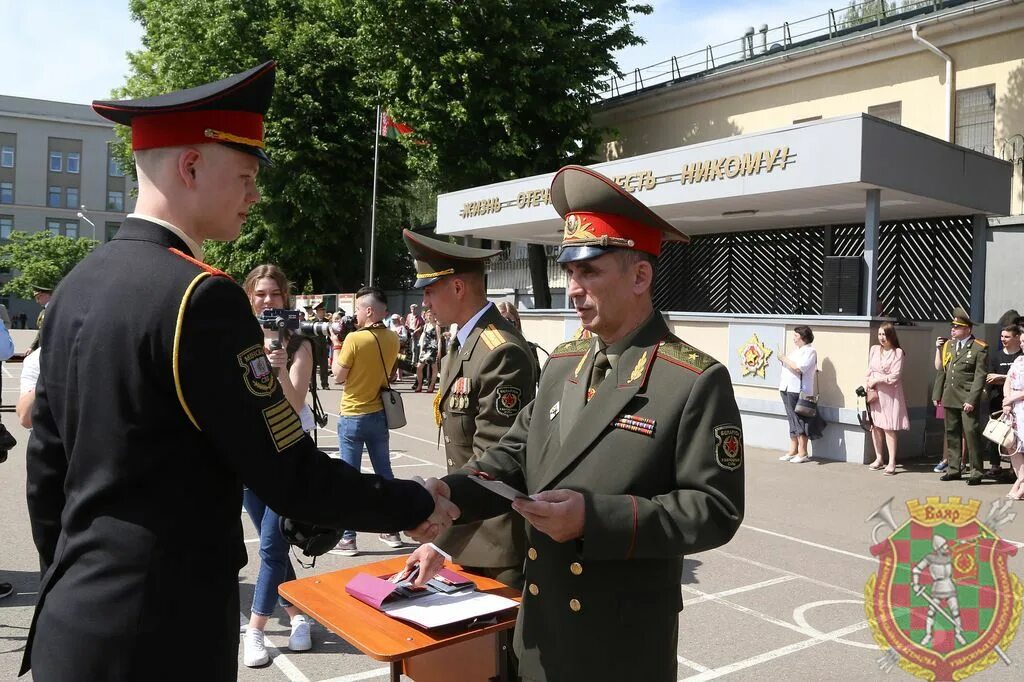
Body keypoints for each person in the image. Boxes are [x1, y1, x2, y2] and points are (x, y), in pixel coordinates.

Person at [21, 62, 456, 681]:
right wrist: (410, 501)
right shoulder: (201, 297)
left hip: (76, 621)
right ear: (191, 167)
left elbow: (47, 466)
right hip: (162, 634)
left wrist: (69, 579)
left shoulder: (75, 286)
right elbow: (285, 469)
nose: (256, 195)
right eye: (247, 176)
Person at [409, 165, 744, 682]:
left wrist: (595, 519)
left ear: (639, 277)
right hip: (543, 625)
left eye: (590, 272)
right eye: (569, 272)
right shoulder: (565, 363)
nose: (573, 289)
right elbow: (513, 456)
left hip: (617, 642)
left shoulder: (692, 380)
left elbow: (715, 509)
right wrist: (445, 497)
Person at [402, 230, 537, 592]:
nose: (425, 303)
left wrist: (438, 540)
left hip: (495, 541)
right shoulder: (463, 343)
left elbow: (493, 462)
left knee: (498, 648)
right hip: (466, 528)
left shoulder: (499, 351)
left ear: (458, 288)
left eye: (430, 291)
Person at [240, 264, 317, 666]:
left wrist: (280, 366)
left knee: (271, 545)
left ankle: (254, 633)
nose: (267, 301)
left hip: (289, 455)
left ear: (286, 298)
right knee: (275, 546)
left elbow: (295, 404)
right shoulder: (240, 341)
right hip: (251, 456)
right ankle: (297, 614)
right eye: (260, 294)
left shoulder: (300, 343)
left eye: (274, 294)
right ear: (250, 297)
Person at [331, 285, 403, 556]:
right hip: (379, 413)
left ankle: (348, 538)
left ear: (369, 310)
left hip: (353, 414)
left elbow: (338, 375)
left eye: (358, 308)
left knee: (349, 479)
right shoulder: (393, 338)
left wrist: (336, 342)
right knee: (385, 474)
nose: (355, 314)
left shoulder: (355, 339)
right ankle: (392, 528)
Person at [932, 306, 989, 484]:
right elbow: (943, 370)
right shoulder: (949, 345)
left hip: (966, 398)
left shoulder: (980, 348)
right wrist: (937, 393)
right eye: (953, 327)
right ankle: (954, 469)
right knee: (952, 434)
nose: (953, 330)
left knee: (971, 434)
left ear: (967, 329)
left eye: (957, 327)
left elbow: (980, 377)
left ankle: (976, 472)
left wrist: (972, 400)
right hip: (950, 395)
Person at [865, 323, 910, 474]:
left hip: (890, 394)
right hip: (874, 393)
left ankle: (892, 461)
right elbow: (870, 369)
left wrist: (877, 380)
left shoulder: (898, 353)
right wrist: (867, 384)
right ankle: (879, 458)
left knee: (888, 427)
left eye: (884, 334)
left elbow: (895, 376)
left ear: (891, 335)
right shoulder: (874, 350)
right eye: (879, 334)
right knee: (875, 426)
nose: (881, 338)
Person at [777, 325, 824, 463]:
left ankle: (803, 452)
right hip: (786, 387)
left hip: (799, 390)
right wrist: (784, 360)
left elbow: (799, 368)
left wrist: (784, 358)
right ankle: (793, 450)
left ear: (803, 337)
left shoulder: (810, 351)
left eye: (796, 336)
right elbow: (790, 366)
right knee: (792, 419)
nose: (794, 339)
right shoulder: (796, 351)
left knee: (800, 420)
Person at [983, 324, 1022, 480]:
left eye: (1007, 336)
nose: (1003, 339)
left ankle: (1016, 469)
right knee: (996, 433)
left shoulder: (1020, 357)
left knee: (1016, 437)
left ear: (1017, 337)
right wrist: (1002, 380)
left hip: (1018, 403)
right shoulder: (996, 356)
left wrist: (1002, 378)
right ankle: (995, 465)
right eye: (1002, 336)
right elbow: (990, 377)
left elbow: (1015, 380)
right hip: (997, 401)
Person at [497, 300, 543, 382]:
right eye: (501, 322)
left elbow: (539, 380)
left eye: (509, 322)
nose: (505, 328)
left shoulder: (529, 348)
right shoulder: (486, 350)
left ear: (517, 323)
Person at [1001, 352, 1024, 499]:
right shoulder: (1019, 359)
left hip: (1020, 403)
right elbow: (1008, 381)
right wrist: (1006, 401)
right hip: (1014, 406)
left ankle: (1021, 484)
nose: (1022, 344)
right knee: (1012, 445)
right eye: (1022, 341)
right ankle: (1021, 480)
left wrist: (1010, 399)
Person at [414, 308, 440, 392]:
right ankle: (420, 384)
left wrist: (439, 351)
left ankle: (431, 386)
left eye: (431, 315)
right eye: (428, 315)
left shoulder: (437, 326)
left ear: (434, 316)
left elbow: (439, 339)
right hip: (425, 349)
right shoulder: (425, 326)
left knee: (434, 367)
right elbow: (423, 338)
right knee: (419, 367)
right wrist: (421, 350)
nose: (429, 317)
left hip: (433, 348)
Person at [310, 300, 331, 390]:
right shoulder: (312, 322)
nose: (322, 313)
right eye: (320, 311)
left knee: (324, 366)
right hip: (315, 346)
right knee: (313, 366)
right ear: (317, 312)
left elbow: (331, 334)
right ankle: (313, 385)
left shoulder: (328, 322)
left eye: (323, 311)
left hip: (324, 347)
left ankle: (325, 384)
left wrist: (329, 343)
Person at [28, 283, 53, 352]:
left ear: (46, 295)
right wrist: (32, 347)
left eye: (38, 297)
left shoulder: (55, 309)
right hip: (43, 349)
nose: (37, 301)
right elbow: (41, 332)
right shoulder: (43, 311)